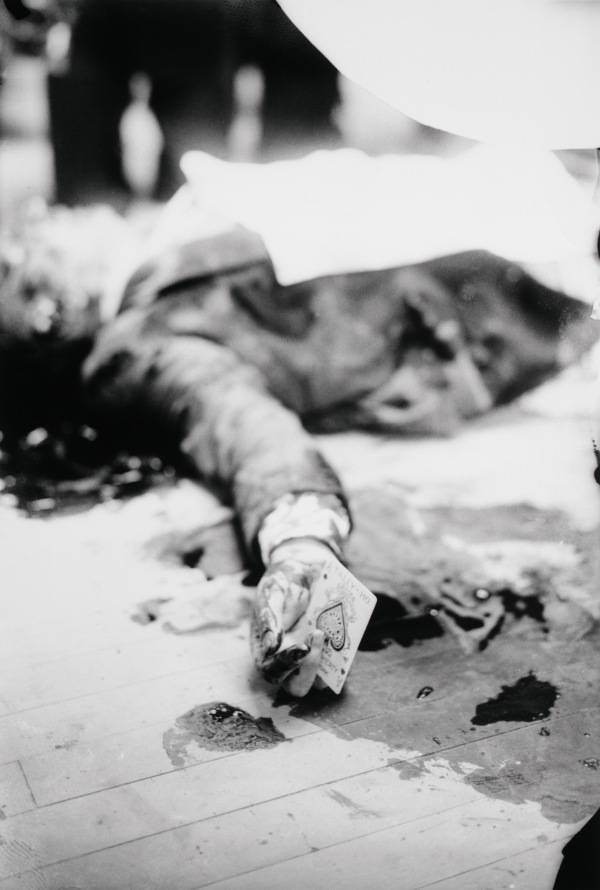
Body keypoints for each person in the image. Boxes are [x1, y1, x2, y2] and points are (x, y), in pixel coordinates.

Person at [0, 168, 596, 695]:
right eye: (22, 258)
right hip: (528, 303)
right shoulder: (131, 351)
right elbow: (237, 420)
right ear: (46, 311)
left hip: (515, 212)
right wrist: (301, 541)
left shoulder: (157, 238)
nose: (43, 222)